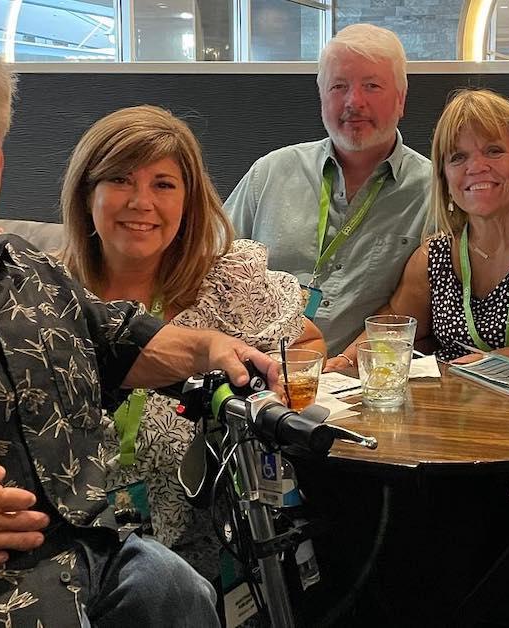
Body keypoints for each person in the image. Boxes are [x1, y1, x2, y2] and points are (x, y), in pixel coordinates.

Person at [0, 21, 279, 627]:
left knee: (176, 587)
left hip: (99, 557)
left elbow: (120, 340)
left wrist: (211, 346)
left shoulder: (27, 268)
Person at [58, 104, 324, 580]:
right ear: (86, 194)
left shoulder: (225, 286)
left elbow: (310, 342)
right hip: (76, 554)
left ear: (188, 202)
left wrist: (276, 390)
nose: (142, 202)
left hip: (203, 556)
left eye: (163, 184)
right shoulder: (41, 295)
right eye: (120, 180)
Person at [326, 88, 509, 369]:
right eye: (458, 157)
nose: (476, 167)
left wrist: (481, 366)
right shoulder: (435, 254)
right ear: (445, 177)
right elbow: (397, 319)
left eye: (494, 151)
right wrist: (345, 359)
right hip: (447, 405)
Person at [226, 23, 430, 356]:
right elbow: (208, 265)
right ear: (322, 96)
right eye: (339, 86)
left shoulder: (435, 193)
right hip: (256, 375)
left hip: (365, 385)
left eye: (372, 85)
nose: (354, 101)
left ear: (400, 100)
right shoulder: (270, 173)